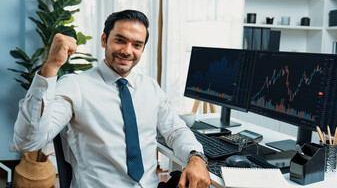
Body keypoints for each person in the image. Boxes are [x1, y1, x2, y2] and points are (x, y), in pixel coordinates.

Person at [14, 10, 210, 188]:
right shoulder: (76, 85)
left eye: (136, 45)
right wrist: (51, 66)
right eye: (120, 40)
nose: (127, 51)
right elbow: (28, 143)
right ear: (104, 40)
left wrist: (196, 158)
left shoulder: (150, 87)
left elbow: (176, 130)